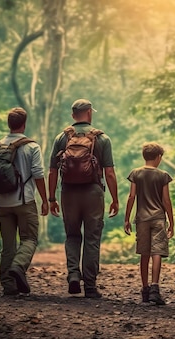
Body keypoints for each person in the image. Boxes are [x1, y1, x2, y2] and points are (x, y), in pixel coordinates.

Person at [48, 98, 119, 299]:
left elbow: (53, 171)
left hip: (69, 192)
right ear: (89, 112)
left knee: (72, 235)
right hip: (93, 193)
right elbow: (110, 172)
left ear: (73, 116)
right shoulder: (102, 138)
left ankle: (73, 274)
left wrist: (51, 197)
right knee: (92, 237)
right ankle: (89, 285)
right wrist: (114, 198)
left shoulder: (61, 138)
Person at [0, 107, 49, 296]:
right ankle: (18, 266)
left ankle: (8, 285)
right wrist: (45, 200)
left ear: (9, 124)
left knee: (8, 246)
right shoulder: (31, 147)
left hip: (2, 204)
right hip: (25, 201)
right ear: (24, 124)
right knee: (29, 238)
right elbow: (38, 175)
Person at [124, 142, 175, 305]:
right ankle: (155, 288)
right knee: (157, 252)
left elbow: (131, 197)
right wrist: (172, 222)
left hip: (142, 219)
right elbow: (166, 200)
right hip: (158, 218)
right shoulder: (163, 175)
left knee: (144, 254)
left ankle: (145, 289)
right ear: (159, 157)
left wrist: (127, 218)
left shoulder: (136, 173)